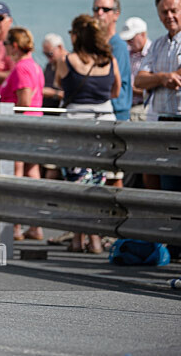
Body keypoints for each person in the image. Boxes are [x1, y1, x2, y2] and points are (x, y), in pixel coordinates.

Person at [56, 14, 120, 254]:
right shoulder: (109, 60)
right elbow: (115, 90)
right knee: (96, 185)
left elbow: (60, 84)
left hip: (75, 129)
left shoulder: (67, 59)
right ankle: (94, 238)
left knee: (76, 185)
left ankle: (78, 239)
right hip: (103, 129)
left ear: (76, 35)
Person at [0, 27, 45, 241]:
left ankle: (15, 226)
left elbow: (24, 102)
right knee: (32, 174)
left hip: (20, 129)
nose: (5, 47)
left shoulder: (22, 68)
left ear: (14, 46)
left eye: (7, 43)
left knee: (16, 176)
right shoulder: (34, 66)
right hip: (33, 127)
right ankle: (34, 225)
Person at [135, 0, 181, 193]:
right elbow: (140, 80)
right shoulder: (158, 45)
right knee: (168, 185)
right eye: (164, 12)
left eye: (174, 10)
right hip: (163, 122)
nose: (169, 16)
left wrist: (158, 78)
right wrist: (163, 77)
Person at [92, 0, 132, 121]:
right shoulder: (94, 45)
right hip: (99, 110)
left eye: (105, 9)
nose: (100, 13)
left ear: (116, 14)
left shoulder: (118, 45)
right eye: (96, 9)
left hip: (116, 112)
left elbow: (111, 81)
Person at [119, 17, 151, 122]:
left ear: (143, 34)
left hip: (144, 107)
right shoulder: (127, 52)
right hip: (126, 107)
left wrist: (131, 89)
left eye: (131, 39)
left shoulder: (153, 53)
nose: (129, 42)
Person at [41, 33, 67, 109]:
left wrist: (53, 93)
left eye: (50, 54)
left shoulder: (69, 65)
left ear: (60, 47)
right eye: (45, 54)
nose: (48, 58)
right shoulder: (49, 66)